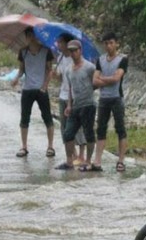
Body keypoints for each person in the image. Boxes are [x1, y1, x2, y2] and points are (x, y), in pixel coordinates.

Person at [11, 27, 55, 158]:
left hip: (41, 89)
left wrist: (45, 86)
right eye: (29, 36)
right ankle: (24, 147)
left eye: (33, 35)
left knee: (47, 117)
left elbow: (50, 70)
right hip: (27, 88)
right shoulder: (23, 52)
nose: (31, 38)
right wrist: (16, 78)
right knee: (24, 118)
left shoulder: (46, 51)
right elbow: (21, 69)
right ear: (26, 37)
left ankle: (50, 146)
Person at [55, 39, 98, 171]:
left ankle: (88, 161)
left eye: (75, 50)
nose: (73, 53)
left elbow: (95, 84)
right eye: (71, 51)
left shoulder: (89, 67)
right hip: (75, 105)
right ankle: (69, 161)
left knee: (89, 133)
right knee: (68, 133)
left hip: (88, 104)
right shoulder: (68, 70)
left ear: (80, 51)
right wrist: (69, 105)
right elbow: (70, 89)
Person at [91, 32, 128, 172]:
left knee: (120, 128)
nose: (108, 46)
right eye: (106, 43)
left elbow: (116, 78)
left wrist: (103, 80)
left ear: (116, 43)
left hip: (116, 97)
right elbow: (94, 80)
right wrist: (108, 79)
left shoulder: (122, 60)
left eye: (111, 43)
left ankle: (121, 160)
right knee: (100, 129)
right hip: (103, 98)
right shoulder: (100, 60)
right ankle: (98, 160)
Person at [54, 33, 86, 166]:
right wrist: (55, 76)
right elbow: (62, 79)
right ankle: (73, 155)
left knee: (77, 127)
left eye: (60, 42)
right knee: (64, 128)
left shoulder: (76, 59)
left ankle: (82, 155)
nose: (58, 45)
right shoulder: (60, 58)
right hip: (63, 95)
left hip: (75, 97)